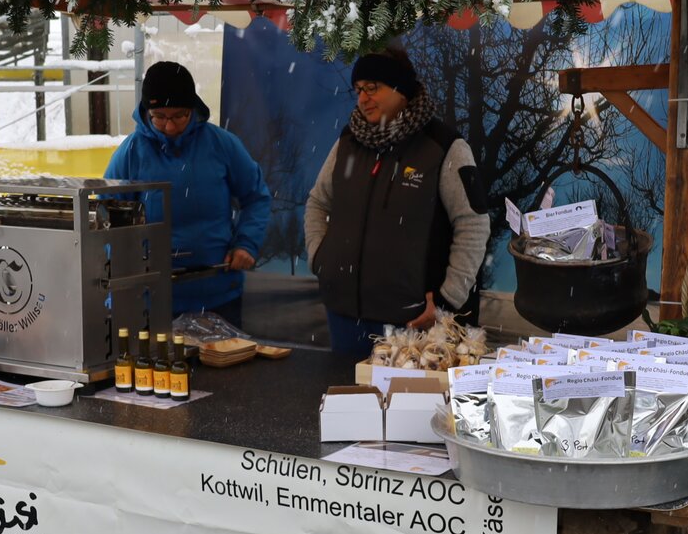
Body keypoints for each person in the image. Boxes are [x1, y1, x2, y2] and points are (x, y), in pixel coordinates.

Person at [304, 45, 489, 354]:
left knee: (409, 403)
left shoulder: (444, 147)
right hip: (344, 316)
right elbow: (317, 203)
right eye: (359, 90)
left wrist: (447, 301)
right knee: (346, 399)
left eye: (372, 89)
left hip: (414, 324)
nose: (363, 98)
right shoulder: (349, 141)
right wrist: (320, 258)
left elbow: (473, 224)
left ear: (401, 90)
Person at [104, 61, 272, 325]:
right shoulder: (129, 154)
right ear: (147, 112)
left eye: (179, 116)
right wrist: (120, 280)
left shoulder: (222, 145)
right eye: (160, 117)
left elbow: (256, 197)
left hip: (219, 295)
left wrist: (246, 243)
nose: (170, 127)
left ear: (193, 109)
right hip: (153, 300)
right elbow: (108, 221)